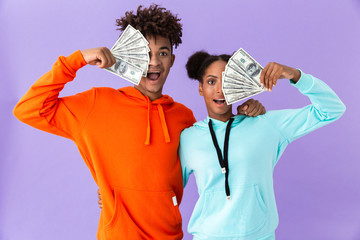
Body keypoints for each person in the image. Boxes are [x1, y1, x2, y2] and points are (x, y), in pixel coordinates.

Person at [13, 5, 265, 240]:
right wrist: (77, 59)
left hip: (170, 234)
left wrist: (245, 117)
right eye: (144, 53)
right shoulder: (96, 104)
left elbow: (211, 160)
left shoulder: (183, 116)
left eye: (162, 53)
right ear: (129, 56)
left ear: (172, 61)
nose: (153, 62)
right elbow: (28, 108)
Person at [179, 51, 346, 239]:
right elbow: (169, 190)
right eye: (211, 82)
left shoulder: (265, 124)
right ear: (200, 88)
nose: (220, 89)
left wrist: (295, 75)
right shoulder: (188, 138)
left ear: (238, 83)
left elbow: (332, 110)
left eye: (227, 80)